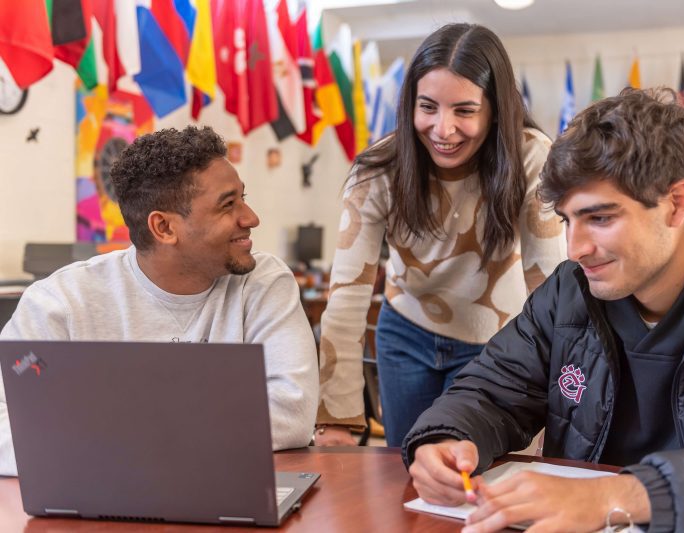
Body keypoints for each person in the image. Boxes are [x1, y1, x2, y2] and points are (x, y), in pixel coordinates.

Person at [403, 87, 684, 532]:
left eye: (601, 218)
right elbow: (492, 392)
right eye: (568, 220)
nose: (575, 250)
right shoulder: (570, 291)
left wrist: (615, 496)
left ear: (677, 203)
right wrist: (447, 437)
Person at [0, 126, 318, 476]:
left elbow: (292, 411)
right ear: (164, 228)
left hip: (223, 490)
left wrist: (104, 438)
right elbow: (6, 416)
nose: (251, 218)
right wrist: (142, 449)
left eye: (243, 197)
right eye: (228, 205)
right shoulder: (60, 302)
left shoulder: (264, 282)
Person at [314, 23, 565, 447]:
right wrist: (338, 419)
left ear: (495, 110)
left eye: (464, 111)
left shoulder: (531, 157)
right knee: (407, 469)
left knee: (483, 471)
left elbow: (551, 285)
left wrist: (555, 397)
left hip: (496, 342)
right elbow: (346, 299)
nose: (442, 129)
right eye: (427, 107)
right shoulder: (377, 169)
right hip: (405, 335)